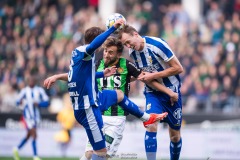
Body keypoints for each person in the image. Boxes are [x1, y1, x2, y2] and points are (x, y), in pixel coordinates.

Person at [44, 19, 168, 160]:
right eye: (104, 49)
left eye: (110, 51)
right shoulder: (91, 57)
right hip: (93, 110)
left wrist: (167, 91)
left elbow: (79, 76)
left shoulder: (120, 64)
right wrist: (111, 29)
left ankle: (146, 118)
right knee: (100, 154)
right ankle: (146, 118)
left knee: (119, 96)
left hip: (110, 115)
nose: (105, 52)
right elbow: (88, 58)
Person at [118, 25, 184, 160]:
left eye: (128, 42)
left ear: (135, 34)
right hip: (152, 93)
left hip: (172, 92)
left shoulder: (157, 45)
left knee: (175, 136)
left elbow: (178, 68)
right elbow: (145, 77)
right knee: (150, 125)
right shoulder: (133, 53)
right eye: (125, 44)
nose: (128, 46)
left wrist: (153, 76)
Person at [13, 76, 50, 160]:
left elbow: (47, 102)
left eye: (33, 80)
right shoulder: (24, 91)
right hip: (27, 117)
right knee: (34, 134)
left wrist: (39, 104)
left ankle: (16, 149)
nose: (31, 82)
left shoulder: (39, 90)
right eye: (29, 80)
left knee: (29, 135)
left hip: (36, 117)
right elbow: (17, 102)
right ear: (27, 81)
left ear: (35, 81)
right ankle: (35, 156)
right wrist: (20, 102)